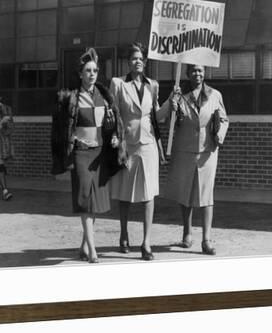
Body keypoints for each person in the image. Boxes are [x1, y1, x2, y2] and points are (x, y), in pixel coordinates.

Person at [51, 48, 126, 264]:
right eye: (88, 70)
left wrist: (114, 138)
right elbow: (61, 128)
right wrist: (71, 140)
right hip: (82, 155)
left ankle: (84, 245)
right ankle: (93, 250)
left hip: (100, 154)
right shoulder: (71, 99)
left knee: (95, 202)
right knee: (84, 198)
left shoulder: (104, 96)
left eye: (95, 70)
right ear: (80, 74)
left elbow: (112, 126)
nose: (92, 74)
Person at [160, 64, 229, 255]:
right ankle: (187, 233)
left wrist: (220, 136)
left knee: (207, 195)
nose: (197, 74)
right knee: (186, 193)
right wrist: (172, 108)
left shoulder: (215, 95)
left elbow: (223, 119)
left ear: (204, 73)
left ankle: (206, 239)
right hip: (184, 151)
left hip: (208, 151)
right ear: (187, 73)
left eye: (200, 70)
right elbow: (169, 124)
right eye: (193, 71)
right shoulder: (179, 95)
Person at [109, 42, 163, 261]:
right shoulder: (119, 84)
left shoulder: (153, 86)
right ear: (128, 62)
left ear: (145, 62)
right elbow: (112, 114)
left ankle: (146, 242)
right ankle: (123, 233)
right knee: (125, 194)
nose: (137, 61)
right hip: (127, 145)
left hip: (148, 145)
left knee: (148, 194)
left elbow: (157, 117)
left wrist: (172, 102)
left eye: (141, 58)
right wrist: (114, 136)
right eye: (133, 58)